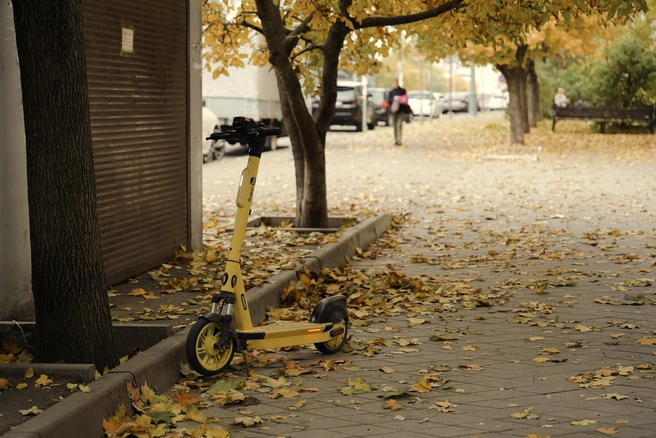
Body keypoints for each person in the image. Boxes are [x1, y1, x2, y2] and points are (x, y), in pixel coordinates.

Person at [387, 79, 412, 146]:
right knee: (395, 125)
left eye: (396, 83)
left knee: (399, 124)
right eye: (394, 83)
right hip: (394, 111)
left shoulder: (402, 91)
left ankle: (399, 139)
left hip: (401, 110)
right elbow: (389, 101)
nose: (395, 84)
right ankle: (396, 139)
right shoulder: (391, 92)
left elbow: (406, 99)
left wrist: (400, 99)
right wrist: (394, 99)